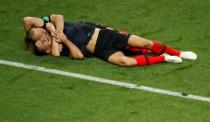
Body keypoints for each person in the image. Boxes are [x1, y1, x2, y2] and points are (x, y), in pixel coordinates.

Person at [23, 14, 197, 67]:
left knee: (145, 44)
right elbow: (77, 55)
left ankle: (178, 52)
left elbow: (53, 17)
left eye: (42, 34)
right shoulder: (58, 48)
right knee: (125, 61)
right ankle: (165, 58)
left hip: (103, 35)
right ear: (44, 49)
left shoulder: (51, 26)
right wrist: (62, 40)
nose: (44, 35)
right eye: (43, 40)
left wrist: (54, 30)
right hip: (99, 51)